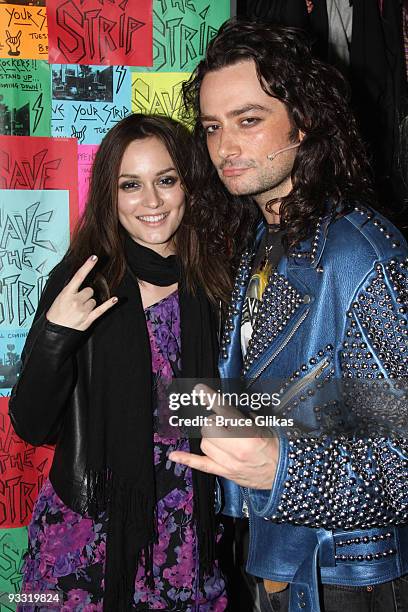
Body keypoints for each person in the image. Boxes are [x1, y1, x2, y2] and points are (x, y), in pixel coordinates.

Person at [169, 20, 408, 612]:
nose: (226, 147)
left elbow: (401, 463)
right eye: (213, 127)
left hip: (347, 576)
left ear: (302, 122)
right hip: (273, 555)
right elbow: (299, 397)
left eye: (249, 120)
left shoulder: (360, 255)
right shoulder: (257, 235)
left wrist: (282, 467)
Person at [8, 113, 229, 611]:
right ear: (111, 194)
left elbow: (220, 407)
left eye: (166, 180)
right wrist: (56, 336)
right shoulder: (84, 282)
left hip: (186, 528)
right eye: (131, 185)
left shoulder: (213, 281)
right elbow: (31, 423)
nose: (151, 202)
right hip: (90, 528)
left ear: (188, 186)